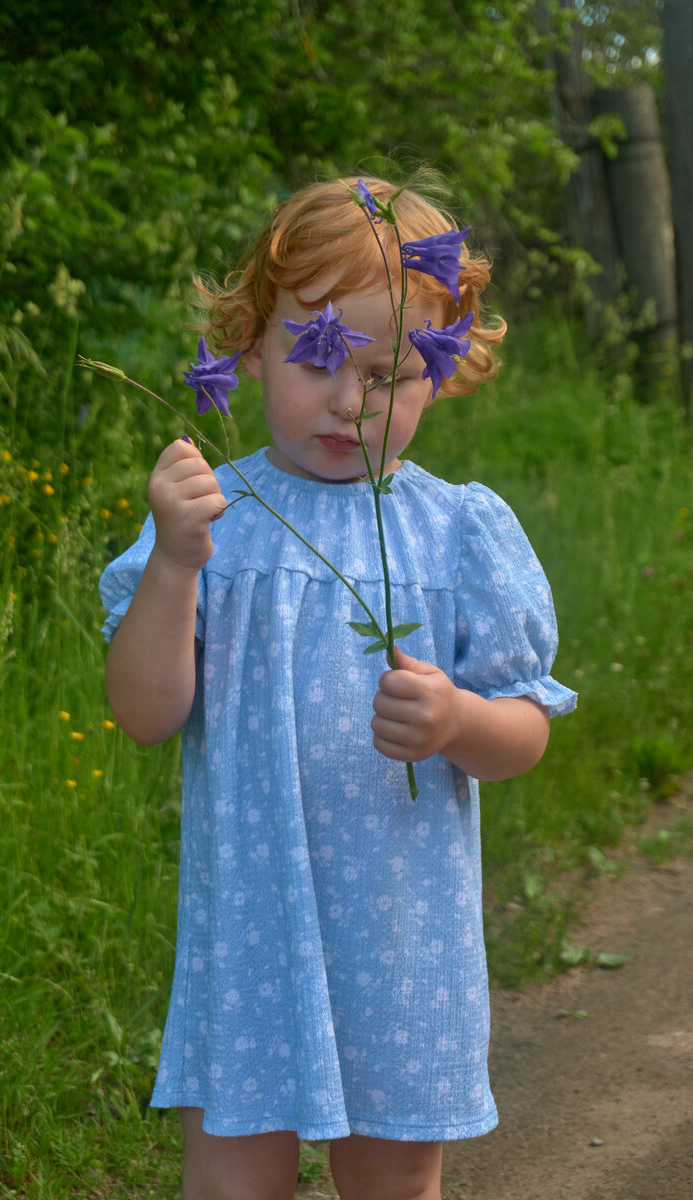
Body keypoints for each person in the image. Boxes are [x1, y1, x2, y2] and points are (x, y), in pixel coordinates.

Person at [99, 175, 577, 1200]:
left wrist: (456, 719)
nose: (350, 402)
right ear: (249, 344)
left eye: (392, 374)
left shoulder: (456, 533)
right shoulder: (214, 520)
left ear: (442, 374)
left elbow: (523, 732)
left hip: (399, 935)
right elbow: (145, 715)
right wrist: (177, 563)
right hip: (251, 929)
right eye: (316, 358)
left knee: (394, 1181)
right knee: (232, 1184)